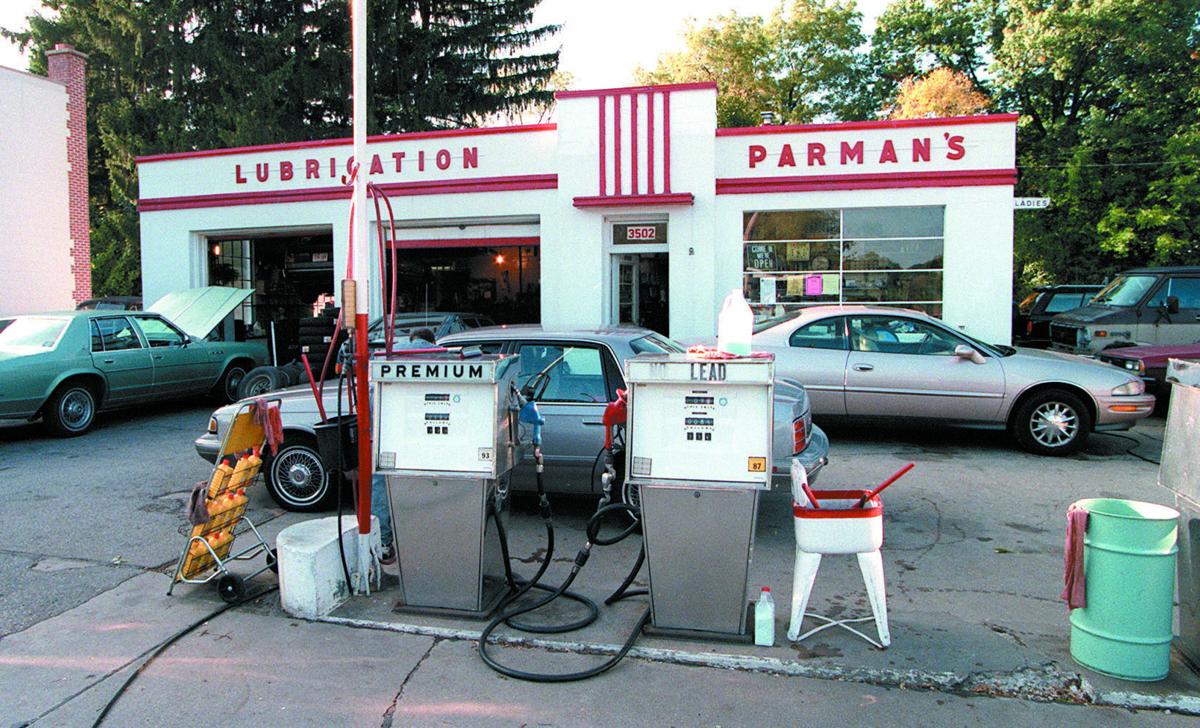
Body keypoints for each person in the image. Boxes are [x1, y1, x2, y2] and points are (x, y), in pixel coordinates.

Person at [371, 326, 438, 566]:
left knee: (381, 482)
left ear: (411, 338)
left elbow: (372, 398)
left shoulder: (388, 355)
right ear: (432, 340)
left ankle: (384, 542)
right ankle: (425, 540)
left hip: (389, 432)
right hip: (428, 438)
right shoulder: (442, 354)